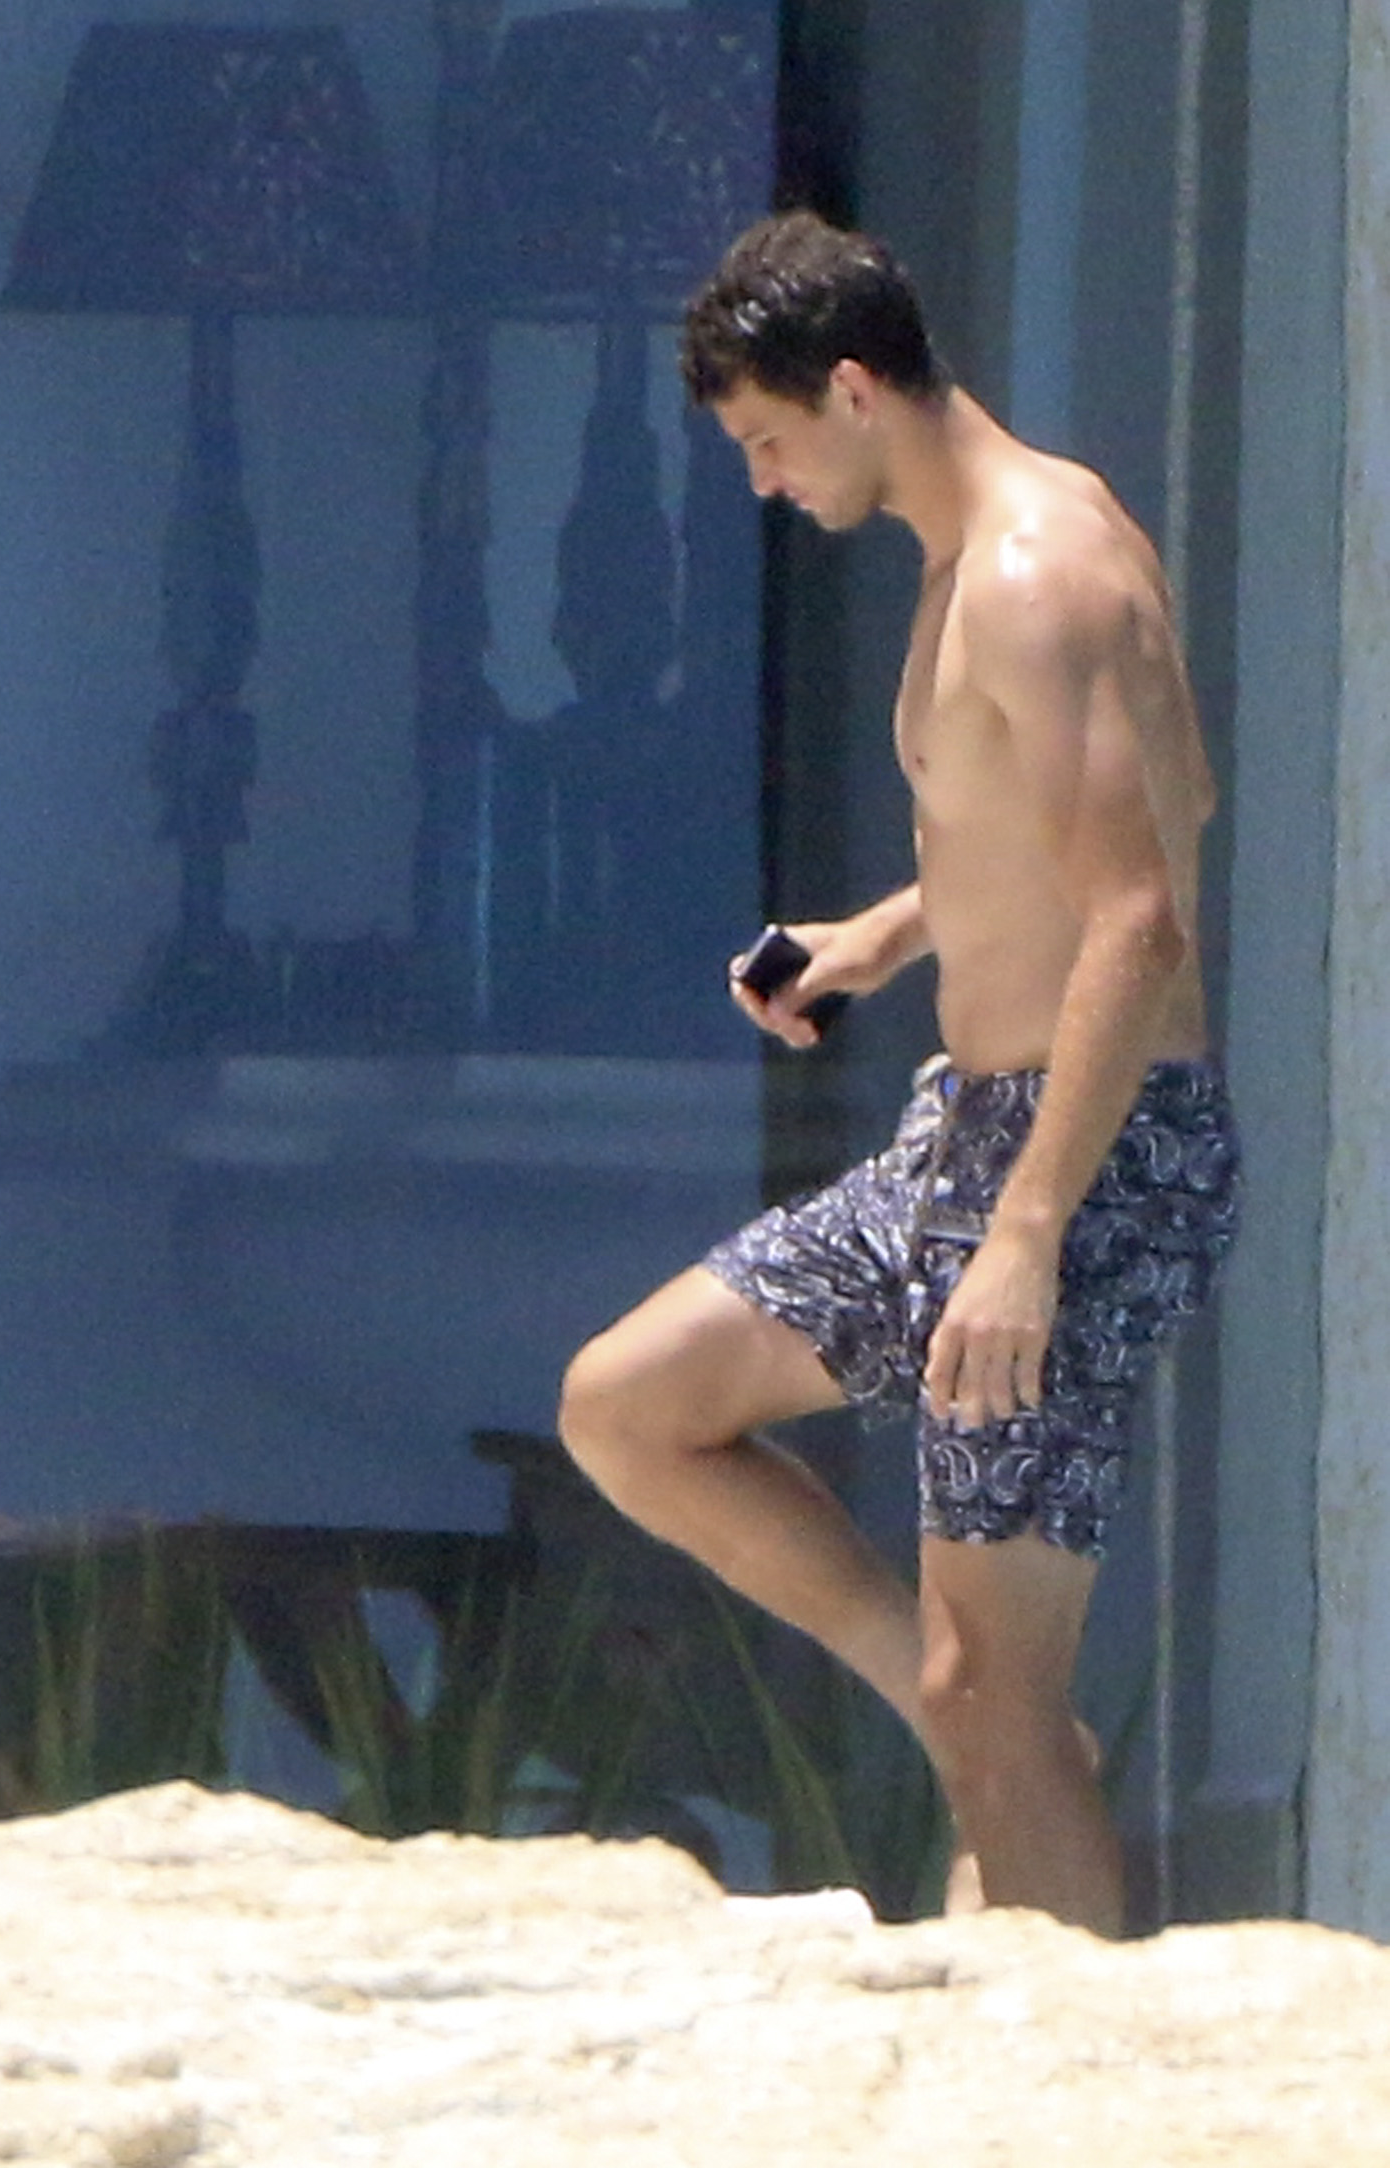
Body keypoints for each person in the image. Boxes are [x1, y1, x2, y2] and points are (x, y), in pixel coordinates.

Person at [554, 211, 1239, 1936]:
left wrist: (1027, 1234)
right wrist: (878, 935)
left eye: (768, 443)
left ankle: (1085, 2052)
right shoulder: (987, 548)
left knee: (994, 1694)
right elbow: (1126, 817)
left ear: (852, 391)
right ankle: (940, 1703)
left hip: (1089, 1165)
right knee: (628, 1406)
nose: (764, 484)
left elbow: (1138, 913)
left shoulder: (1030, 576)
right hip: (972, 1141)